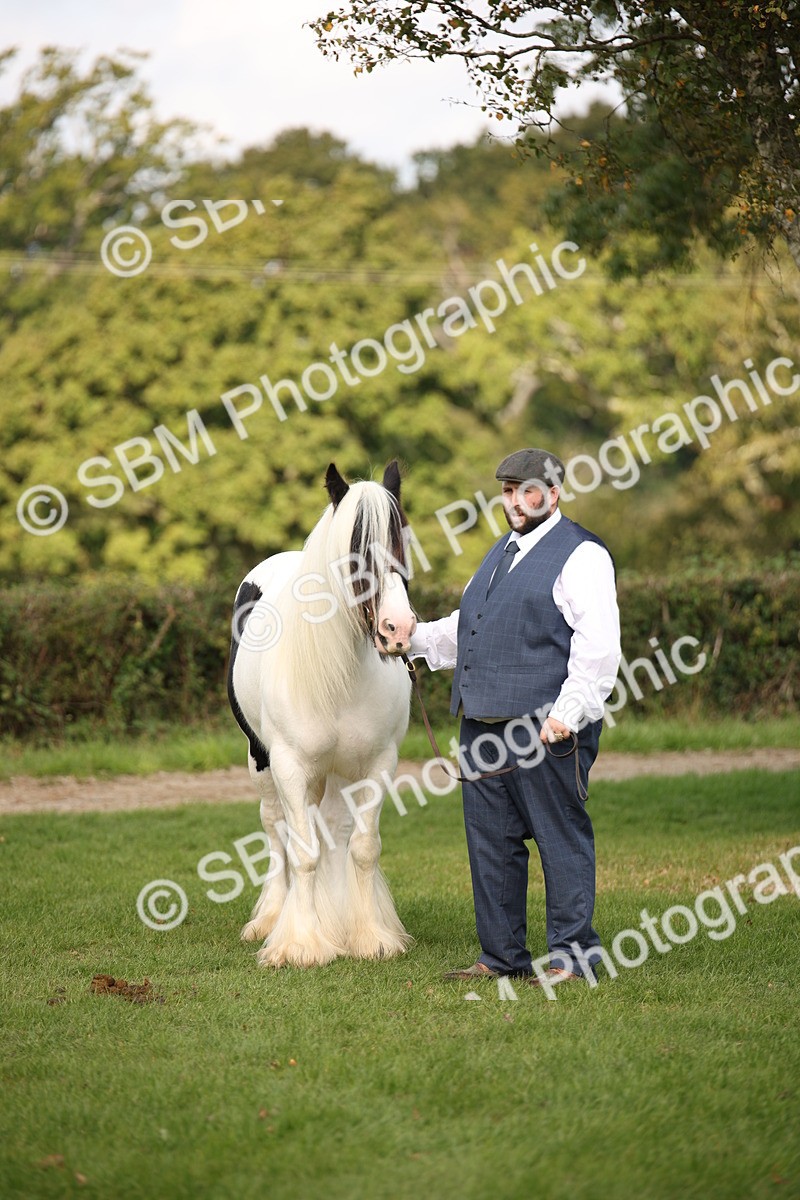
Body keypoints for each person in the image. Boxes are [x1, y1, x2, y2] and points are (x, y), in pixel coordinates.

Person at [408, 448, 621, 987]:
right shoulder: (502, 550)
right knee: (491, 843)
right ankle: (501, 957)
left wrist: (568, 714)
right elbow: (471, 624)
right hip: (480, 724)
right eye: (507, 490)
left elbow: (599, 647)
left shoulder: (582, 555)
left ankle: (572, 959)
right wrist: (411, 637)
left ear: (553, 493)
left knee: (559, 837)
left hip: (547, 727)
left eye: (527, 490)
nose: (516, 501)